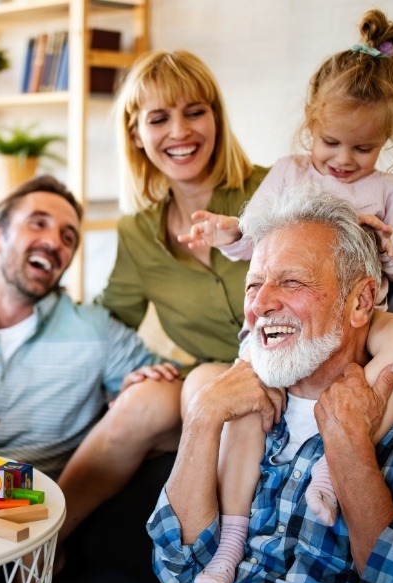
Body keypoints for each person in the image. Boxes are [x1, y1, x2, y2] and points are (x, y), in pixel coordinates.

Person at [178, 9, 393, 583]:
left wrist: (388, 242)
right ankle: (233, 539)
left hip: (362, 319)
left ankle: (334, 461)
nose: (343, 160)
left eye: (363, 149)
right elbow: (252, 233)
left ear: (386, 142)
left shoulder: (390, 190)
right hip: (286, 331)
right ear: (308, 128)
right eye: (331, 142)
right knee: (247, 411)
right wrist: (226, 233)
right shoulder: (291, 173)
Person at [147, 184, 393, 583]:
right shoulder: (237, 398)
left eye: (291, 282)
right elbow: (177, 568)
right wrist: (202, 418)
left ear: (361, 301)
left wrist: (350, 450)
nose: (261, 305)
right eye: (253, 286)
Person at [54, 49, 270, 542]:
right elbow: (106, 319)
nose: (180, 132)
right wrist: (5, 296)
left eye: (194, 111)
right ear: (136, 134)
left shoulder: (274, 190)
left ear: (215, 116)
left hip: (284, 376)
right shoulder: (138, 232)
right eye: (159, 118)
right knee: (139, 400)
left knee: (206, 394)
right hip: (207, 385)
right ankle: (41, 550)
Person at [0, 174, 178, 481]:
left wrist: (143, 387)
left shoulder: (96, 329)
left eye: (68, 237)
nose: (54, 242)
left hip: (38, 515)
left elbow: (173, 403)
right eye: (38, 223)